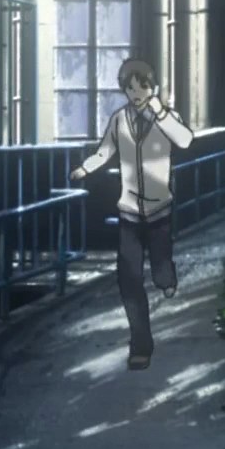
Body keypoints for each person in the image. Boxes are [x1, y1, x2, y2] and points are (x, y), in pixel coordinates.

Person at [70, 58, 194, 370]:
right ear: (124, 90)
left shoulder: (167, 118)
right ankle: (140, 344)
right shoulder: (119, 120)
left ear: (153, 88)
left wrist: (161, 112)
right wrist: (85, 168)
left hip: (159, 209)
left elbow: (185, 139)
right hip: (129, 211)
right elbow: (105, 151)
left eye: (142, 87)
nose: (136, 93)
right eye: (130, 88)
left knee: (161, 267)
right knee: (129, 280)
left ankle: (166, 277)